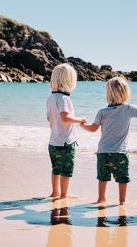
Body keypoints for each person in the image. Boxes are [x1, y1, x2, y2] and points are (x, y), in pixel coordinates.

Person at [80, 76, 137, 205]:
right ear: (125, 93)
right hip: (120, 153)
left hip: (103, 153)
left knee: (103, 178)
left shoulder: (102, 112)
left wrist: (82, 125)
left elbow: (92, 129)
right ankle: (122, 201)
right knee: (122, 179)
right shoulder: (127, 109)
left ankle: (101, 199)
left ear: (108, 94)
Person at [46, 63, 87, 199]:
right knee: (66, 171)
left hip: (53, 142)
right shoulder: (64, 98)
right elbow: (65, 117)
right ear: (69, 81)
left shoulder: (51, 98)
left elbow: (49, 117)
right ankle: (64, 194)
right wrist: (80, 119)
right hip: (65, 143)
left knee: (56, 169)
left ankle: (54, 192)